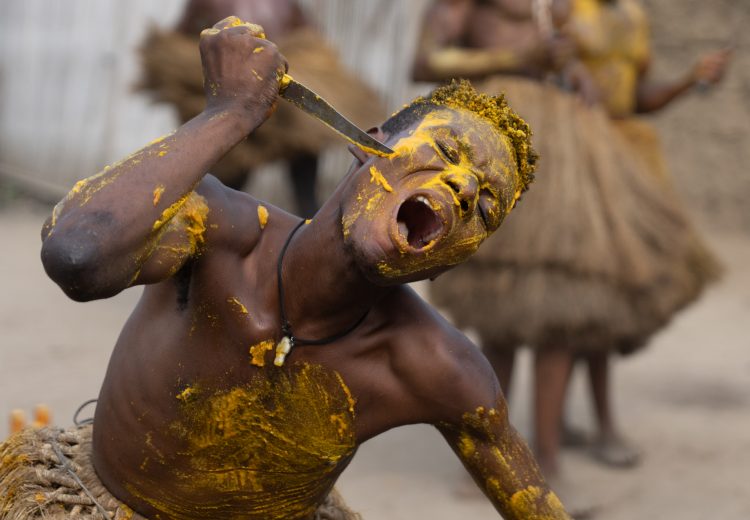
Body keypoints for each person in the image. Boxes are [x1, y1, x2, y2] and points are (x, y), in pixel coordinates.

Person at [0, 17, 573, 520]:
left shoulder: (436, 369)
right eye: (447, 152)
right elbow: (76, 257)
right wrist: (230, 113)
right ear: (369, 145)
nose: (467, 187)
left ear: (451, 261)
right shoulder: (218, 231)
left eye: (488, 206)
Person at [416, 0, 724, 483]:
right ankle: (490, 463)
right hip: (501, 138)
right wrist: (514, 59)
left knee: (561, 309)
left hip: (563, 150)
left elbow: (566, 56)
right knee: (501, 316)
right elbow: (425, 62)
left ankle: (546, 464)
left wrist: (574, 71)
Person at [140, 0, 384, 217]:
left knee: (226, 190)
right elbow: (314, 35)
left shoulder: (204, 3)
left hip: (283, 108)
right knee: (247, 181)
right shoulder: (286, 4)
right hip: (267, 105)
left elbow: (177, 38)